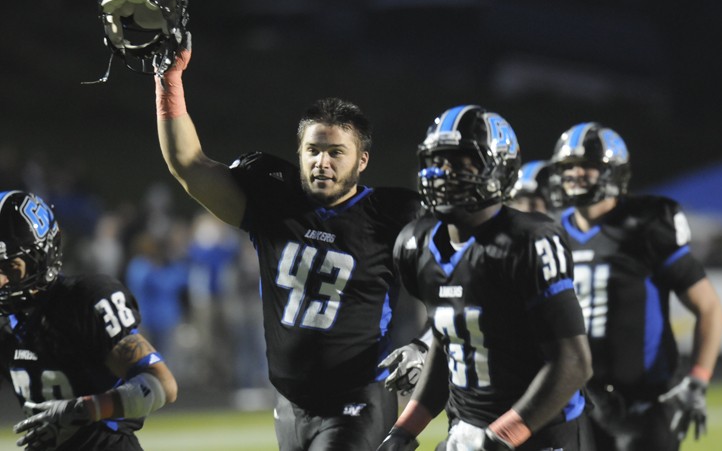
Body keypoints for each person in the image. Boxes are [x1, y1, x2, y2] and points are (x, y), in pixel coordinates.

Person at [153, 51, 426, 447]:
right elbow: (188, 165)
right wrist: (169, 79)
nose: (322, 162)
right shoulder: (274, 203)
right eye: (313, 150)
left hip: (357, 401)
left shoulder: (390, 217)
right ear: (299, 153)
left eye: (336, 152)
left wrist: (425, 343)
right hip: (289, 403)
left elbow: (456, 285)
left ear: (362, 160)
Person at [379, 105, 594, 451]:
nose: (444, 174)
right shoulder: (415, 244)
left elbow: (573, 361)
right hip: (467, 429)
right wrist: (405, 430)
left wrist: (499, 438)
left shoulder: (527, 241)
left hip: (541, 433)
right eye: (438, 162)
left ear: (500, 167)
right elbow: (447, 342)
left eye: (461, 163)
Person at [548, 122, 722, 451]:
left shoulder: (645, 225)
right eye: (568, 167)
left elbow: (708, 307)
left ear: (614, 172)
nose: (575, 175)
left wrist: (698, 381)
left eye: (587, 166)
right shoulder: (551, 234)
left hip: (647, 403)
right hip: (581, 402)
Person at [0, 190, 178, 450]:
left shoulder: (84, 299)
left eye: (10, 267)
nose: (1, 280)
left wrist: (85, 408)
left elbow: (161, 383)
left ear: (41, 257)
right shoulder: (5, 322)